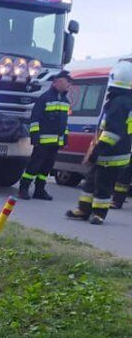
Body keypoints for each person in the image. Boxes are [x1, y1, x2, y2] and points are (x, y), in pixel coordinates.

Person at [67, 61, 132, 224]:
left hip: (111, 153)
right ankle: (83, 210)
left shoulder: (119, 103)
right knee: (90, 182)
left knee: (103, 185)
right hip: (111, 151)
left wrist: (97, 150)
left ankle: (99, 214)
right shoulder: (121, 100)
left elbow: (112, 132)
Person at [18, 70, 72, 201]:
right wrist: (35, 135)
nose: (68, 85)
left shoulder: (65, 100)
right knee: (34, 165)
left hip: (55, 141)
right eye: (66, 82)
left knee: (47, 167)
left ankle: (39, 190)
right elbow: (35, 118)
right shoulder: (45, 98)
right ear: (57, 82)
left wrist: (65, 136)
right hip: (42, 140)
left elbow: (64, 122)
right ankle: (23, 189)